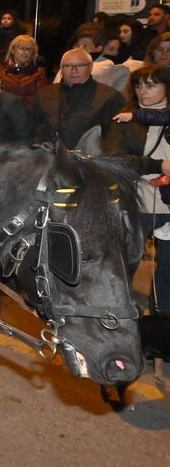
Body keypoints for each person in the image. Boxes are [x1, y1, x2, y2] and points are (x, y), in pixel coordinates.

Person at [105, 65, 170, 313]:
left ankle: (162, 325)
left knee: (168, 272)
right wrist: (160, 165)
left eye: (151, 85)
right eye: (139, 85)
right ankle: (116, 318)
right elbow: (115, 160)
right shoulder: (124, 119)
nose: (143, 91)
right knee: (124, 265)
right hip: (136, 201)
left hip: (167, 201)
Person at [29, 48, 126, 150]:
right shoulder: (43, 94)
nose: (73, 70)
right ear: (61, 69)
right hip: (45, 159)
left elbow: (115, 139)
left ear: (90, 67)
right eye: (68, 66)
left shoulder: (110, 97)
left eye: (80, 65)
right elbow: (30, 129)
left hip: (85, 161)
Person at [0, 35, 48, 106]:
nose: (25, 52)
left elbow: (40, 100)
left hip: (27, 113)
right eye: (22, 48)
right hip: (4, 112)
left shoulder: (39, 72)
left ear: (33, 53)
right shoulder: (1, 70)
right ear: (13, 50)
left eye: (29, 49)